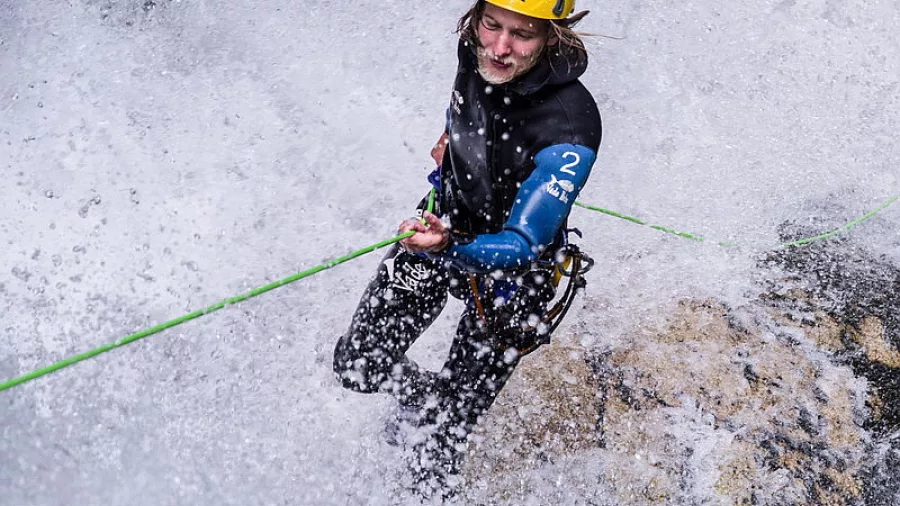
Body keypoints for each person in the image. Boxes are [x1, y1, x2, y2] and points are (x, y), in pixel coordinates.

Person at [333, 0, 602, 498]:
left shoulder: (571, 128)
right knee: (358, 363)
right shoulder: (474, 47)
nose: (500, 48)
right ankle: (431, 398)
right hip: (445, 219)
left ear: (552, 37)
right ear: (474, 17)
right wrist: (451, 139)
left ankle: (446, 422)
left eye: (522, 35)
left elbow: (522, 244)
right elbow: (471, 100)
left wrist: (448, 244)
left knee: (438, 448)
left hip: (512, 280)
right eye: (492, 25)